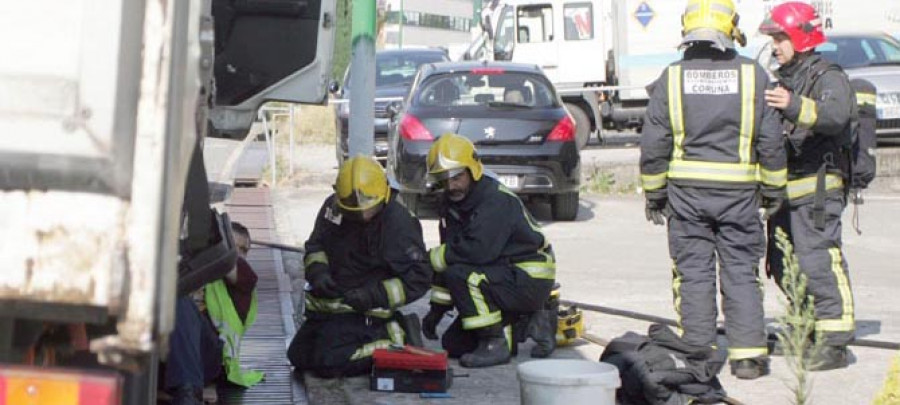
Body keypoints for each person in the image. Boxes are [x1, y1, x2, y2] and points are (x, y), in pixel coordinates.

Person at [640, 0, 787, 380]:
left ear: (686, 30)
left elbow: (654, 142)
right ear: (731, 28)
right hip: (739, 198)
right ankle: (749, 358)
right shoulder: (754, 76)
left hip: (686, 198)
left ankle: (700, 355)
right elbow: (770, 140)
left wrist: (655, 196)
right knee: (741, 271)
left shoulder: (671, 78)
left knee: (693, 274)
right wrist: (772, 192)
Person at [759, 1, 856, 371]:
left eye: (780, 37)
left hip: (818, 186)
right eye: (772, 38)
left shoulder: (827, 76)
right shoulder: (784, 76)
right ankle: (804, 332)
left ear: (801, 36)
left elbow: (835, 115)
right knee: (783, 264)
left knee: (819, 261)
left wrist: (794, 104)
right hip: (784, 187)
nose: (774, 45)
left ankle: (835, 343)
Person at [287, 155, 432, 378]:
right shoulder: (333, 207)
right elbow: (316, 245)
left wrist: (372, 295)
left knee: (330, 364)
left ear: (382, 194)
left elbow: (418, 279)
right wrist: (319, 272)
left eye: (368, 207)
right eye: (352, 209)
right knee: (299, 356)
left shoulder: (398, 223)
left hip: (368, 312)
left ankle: (394, 336)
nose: (362, 214)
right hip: (334, 310)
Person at [421, 133, 556, 368]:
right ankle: (525, 322)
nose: (450, 186)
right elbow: (452, 256)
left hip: (528, 277)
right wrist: (436, 311)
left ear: (472, 170)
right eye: (443, 180)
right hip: (500, 274)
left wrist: (430, 258)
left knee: (462, 275)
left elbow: (476, 252)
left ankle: (495, 343)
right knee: (454, 344)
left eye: (456, 177)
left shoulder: (494, 201)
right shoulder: (452, 203)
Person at [204, 221, 263, 387]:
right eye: (231, 245)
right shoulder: (211, 268)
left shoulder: (245, 273)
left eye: (243, 249)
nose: (237, 253)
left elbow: (226, 263)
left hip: (218, 360)